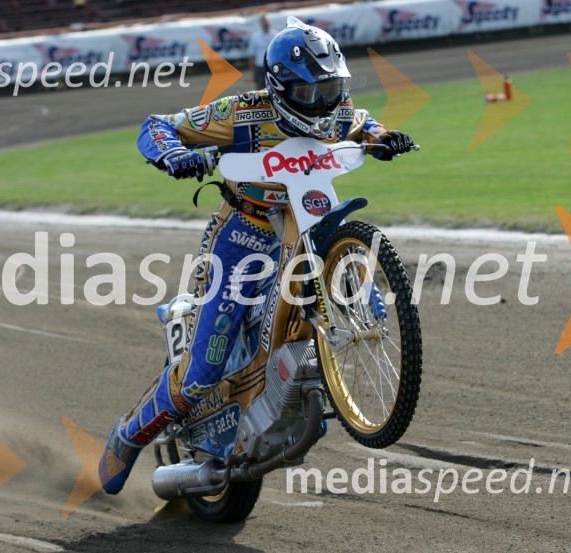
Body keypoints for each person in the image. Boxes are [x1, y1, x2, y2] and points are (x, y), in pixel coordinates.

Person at [98, 18, 415, 495]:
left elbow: (363, 122)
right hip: (241, 238)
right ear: (280, 89)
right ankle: (128, 436)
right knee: (204, 368)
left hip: (302, 221)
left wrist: (382, 137)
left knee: (328, 263)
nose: (326, 104)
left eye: (333, 88)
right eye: (312, 94)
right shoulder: (242, 113)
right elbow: (158, 127)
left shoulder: (337, 110)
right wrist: (175, 155)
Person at [247, 15, 276, 90]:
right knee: (260, 91)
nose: (266, 24)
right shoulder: (255, 37)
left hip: (272, 68)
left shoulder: (276, 35)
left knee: (274, 89)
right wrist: (253, 73)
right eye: (264, 22)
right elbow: (252, 56)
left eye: (267, 22)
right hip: (260, 68)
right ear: (261, 23)